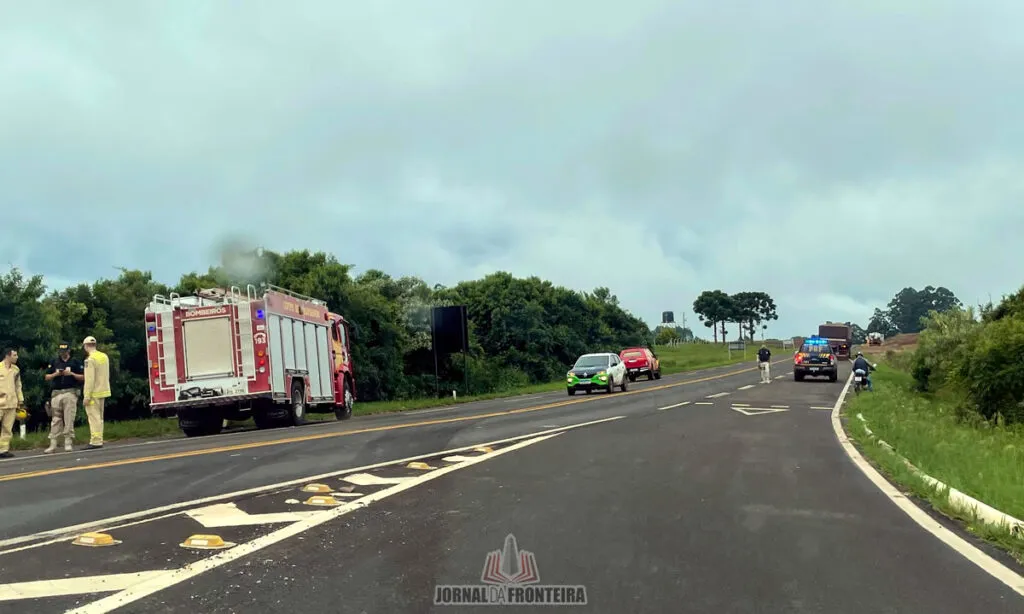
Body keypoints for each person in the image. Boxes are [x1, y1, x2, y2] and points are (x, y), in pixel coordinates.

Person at [43, 342, 84, 453]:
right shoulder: (54, 362)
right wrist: (56, 374)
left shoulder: (75, 362)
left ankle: (68, 441)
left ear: (69, 351)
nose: (63, 353)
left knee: (69, 417)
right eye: (61, 351)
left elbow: (83, 377)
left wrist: (72, 374)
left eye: (65, 351)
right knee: (55, 418)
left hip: (70, 391)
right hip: (56, 392)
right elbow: (46, 376)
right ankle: (53, 443)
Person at [82, 336, 111, 450]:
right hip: (103, 390)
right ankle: (99, 438)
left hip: (94, 393)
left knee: (94, 418)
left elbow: (89, 379)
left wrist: (86, 396)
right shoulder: (104, 356)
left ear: (85, 346)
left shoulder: (89, 360)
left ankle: (96, 440)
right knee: (100, 417)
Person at [0, 348, 25, 458]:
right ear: (7, 356)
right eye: (14, 355)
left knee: (7, 428)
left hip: (11, 403)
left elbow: (18, 385)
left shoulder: (16, 369)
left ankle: (3, 450)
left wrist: (20, 400)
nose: (17, 357)